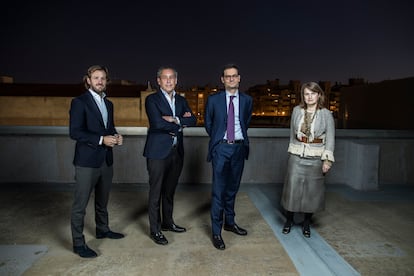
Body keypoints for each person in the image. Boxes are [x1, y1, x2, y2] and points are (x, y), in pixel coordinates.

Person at [69, 65, 124, 258]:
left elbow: (109, 127)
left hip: (106, 160)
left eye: (103, 78)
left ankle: (103, 229)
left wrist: (116, 136)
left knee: (102, 201)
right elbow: (75, 132)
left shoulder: (108, 104)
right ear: (88, 80)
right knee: (80, 205)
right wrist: (101, 140)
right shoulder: (79, 102)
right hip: (86, 161)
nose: (100, 81)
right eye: (96, 78)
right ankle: (78, 243)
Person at [143, 66, 196, 245]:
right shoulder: (152, 99)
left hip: (176, 152)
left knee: (169, 191)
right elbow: (157, 124)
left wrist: (174, 119)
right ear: (158, 81)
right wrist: (181, 122)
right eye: (164, 78)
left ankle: (167, 222)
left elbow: (193, 120)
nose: (168, 81)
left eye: (171, 77)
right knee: (156, 192)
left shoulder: (181, 100)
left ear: (176, 80)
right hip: (157, 152)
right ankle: (155, 230)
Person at [204, 64, 253, 250]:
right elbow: (209, 123)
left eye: (234, 76)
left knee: (232, 189)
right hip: (221, 149)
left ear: (239, 78)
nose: (231, 79)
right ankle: (216, 232)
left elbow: (245, 121)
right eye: (227, 76)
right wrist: (218, 142)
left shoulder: (247, 100)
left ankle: (230, 223)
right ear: (222, 80)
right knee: (218, 191)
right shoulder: (213, 100)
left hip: (239, 149)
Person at [280, 82, 335, 238]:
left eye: (312, 93)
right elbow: (292, 134)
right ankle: (289, 221)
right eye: (306, 94)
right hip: (296, 156)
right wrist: (292, 151)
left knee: (312, 193)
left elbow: (330, 139)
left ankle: (306, 224)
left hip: (316, 157)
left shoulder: (326, 114)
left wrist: (327, 161)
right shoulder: (297, 111)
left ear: (319, 95)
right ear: (303, 96)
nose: (309, 97)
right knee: (292, 190)